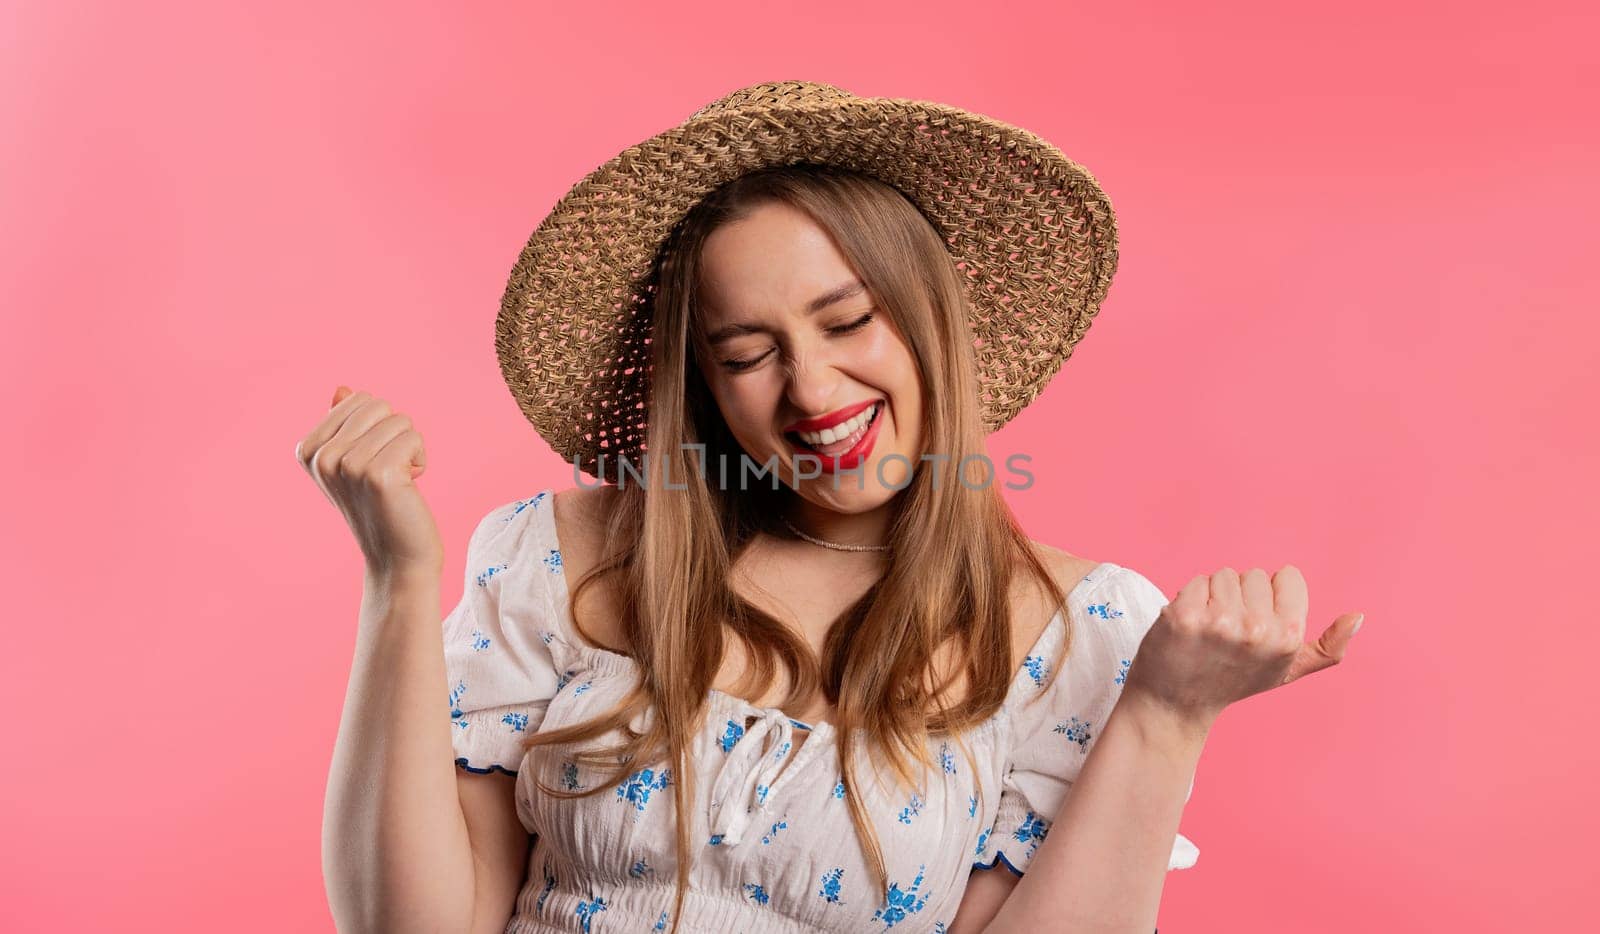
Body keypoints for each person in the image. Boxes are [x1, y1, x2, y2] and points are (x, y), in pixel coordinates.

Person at [306, 82, 1363, 934]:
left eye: (847, 321)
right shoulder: (555, 558)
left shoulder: (1070, 633)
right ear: (707, 390)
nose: (811, 393)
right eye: (748, 354)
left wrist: (1166, 719)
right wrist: (398, 580)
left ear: (926, 318)